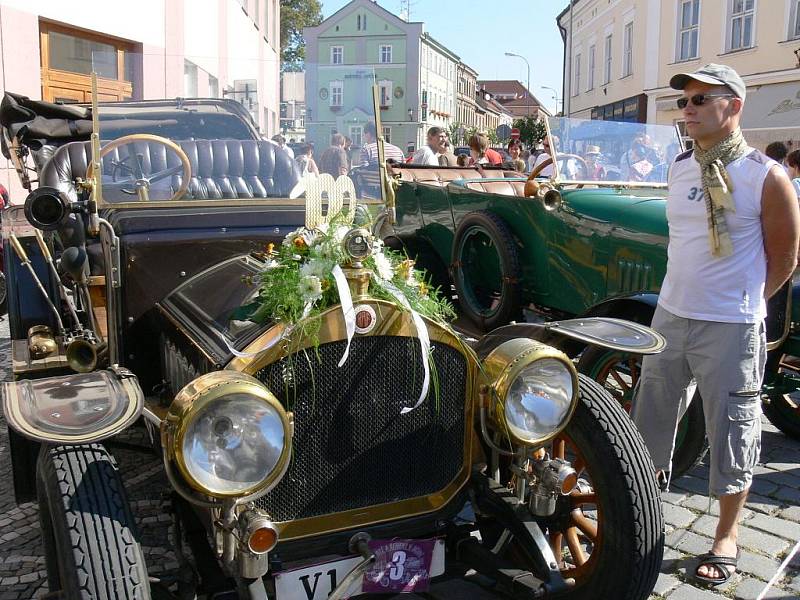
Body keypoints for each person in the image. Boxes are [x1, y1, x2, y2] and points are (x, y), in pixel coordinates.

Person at [631, 63, 800, 587]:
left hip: (730, 324)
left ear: (735, 106)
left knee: (733, 429)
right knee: (649, 416)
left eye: (703, 99)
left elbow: (785, 256)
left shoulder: (764, 176)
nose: (690, 109)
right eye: (686, 101)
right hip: (671, 314)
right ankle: (641, 508)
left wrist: (743, 300)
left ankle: (726, 534)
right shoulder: (681, 167)